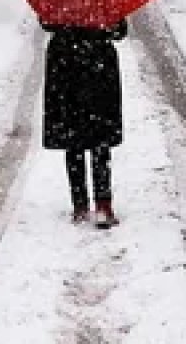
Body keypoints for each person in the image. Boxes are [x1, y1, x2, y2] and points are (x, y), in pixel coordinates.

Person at [41, 19, 128, 228]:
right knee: (100, 140)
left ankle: (80, 204)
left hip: (65, 68)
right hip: (99, 69)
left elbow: (46, 23)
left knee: (73, 141)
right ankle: (103, 204)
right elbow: (119, 31)